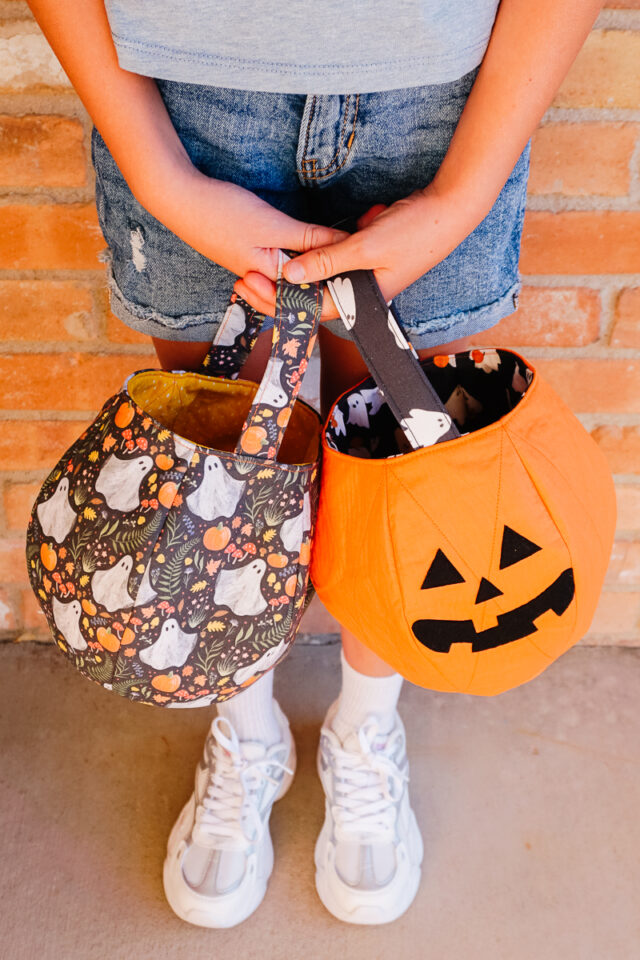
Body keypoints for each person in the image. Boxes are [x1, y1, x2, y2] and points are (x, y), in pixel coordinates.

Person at [27, 0, 604, 928]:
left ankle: (365, 727)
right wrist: (161, 179)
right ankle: (248, 732)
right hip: (183, 98)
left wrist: (461, 198)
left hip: (446, 103)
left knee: (416, 482)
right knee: (210, 475)